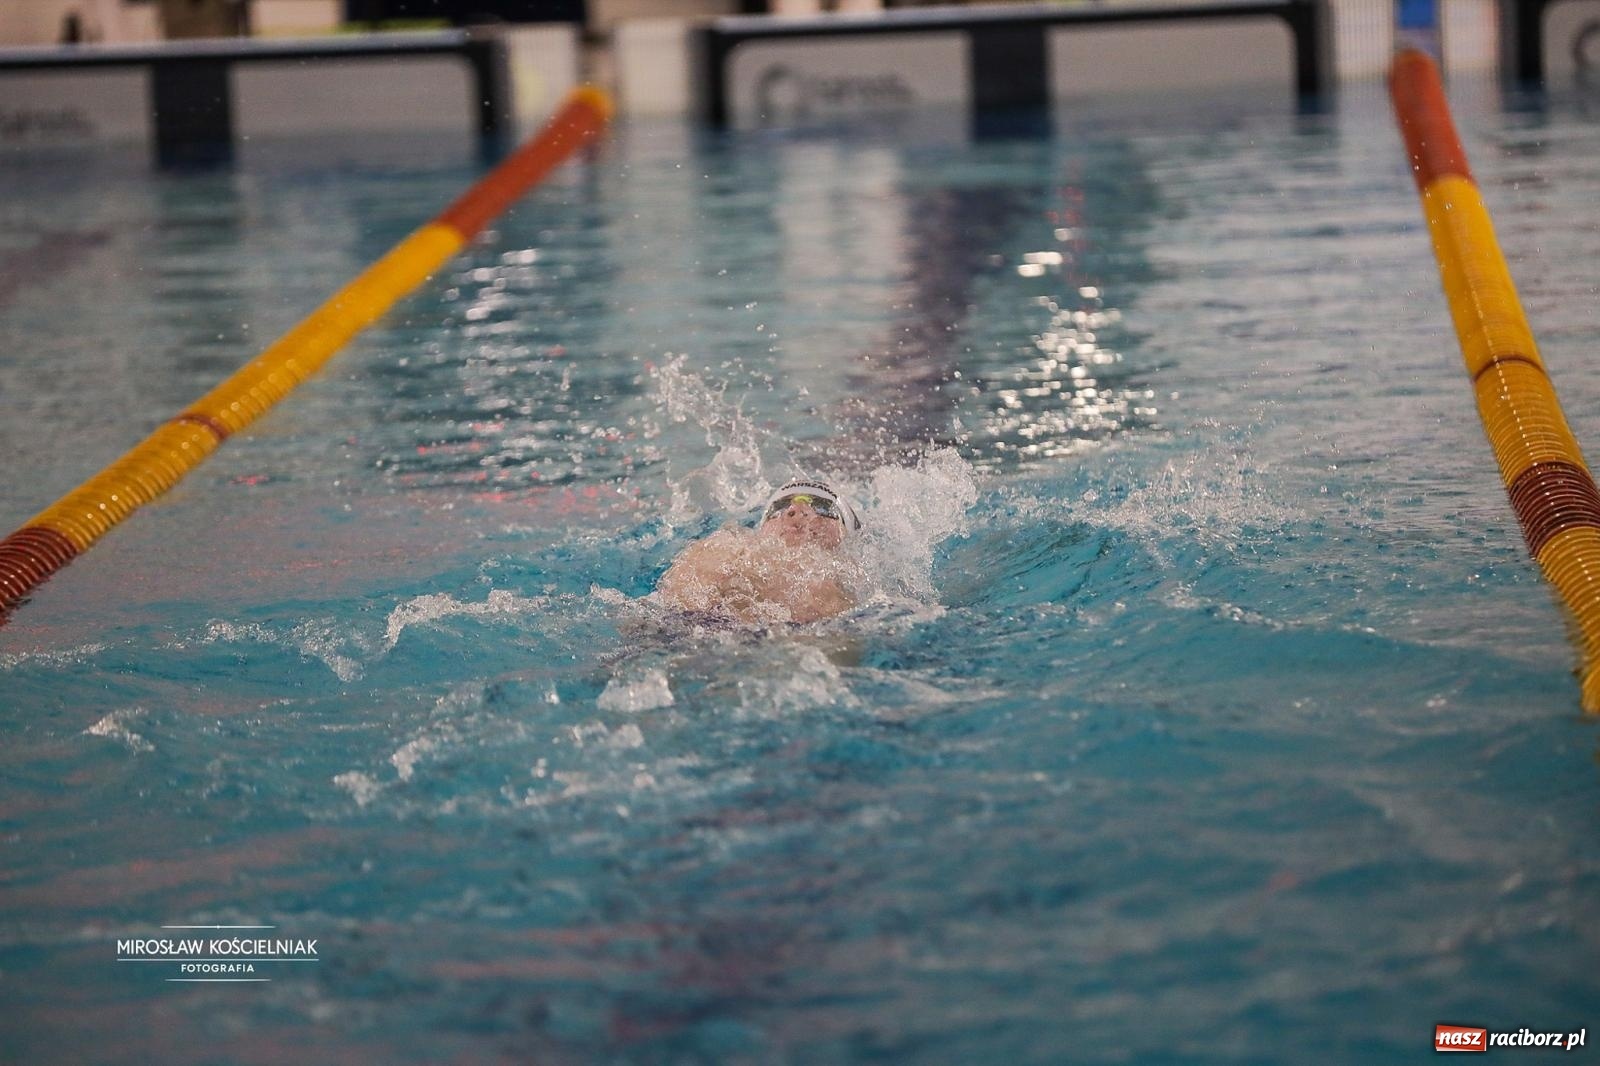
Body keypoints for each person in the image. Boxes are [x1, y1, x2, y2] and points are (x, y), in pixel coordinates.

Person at [656, 479, 862, 625]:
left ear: (845, 533)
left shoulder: (847, 596)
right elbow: (673, 612)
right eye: (779, 507)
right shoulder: (723, 548)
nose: (796, 509)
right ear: (762, 530)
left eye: (823, 507)